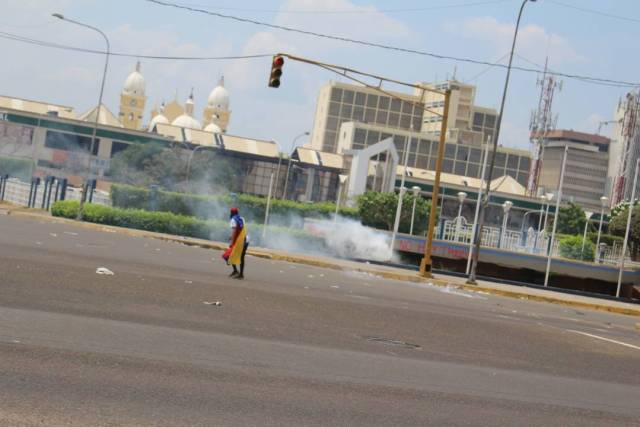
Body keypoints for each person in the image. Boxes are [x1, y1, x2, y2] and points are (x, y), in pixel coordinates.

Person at [227, 207, 249, 279]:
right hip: (245, 239)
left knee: (231, 254)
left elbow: (234, 231)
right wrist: (232, 237)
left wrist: (231, 242)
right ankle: (237, 272)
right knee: (238, 256)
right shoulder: (241, 218)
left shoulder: (233, 219)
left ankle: (239, 273)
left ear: (231, 213)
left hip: (240, 240)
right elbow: (241, 229)